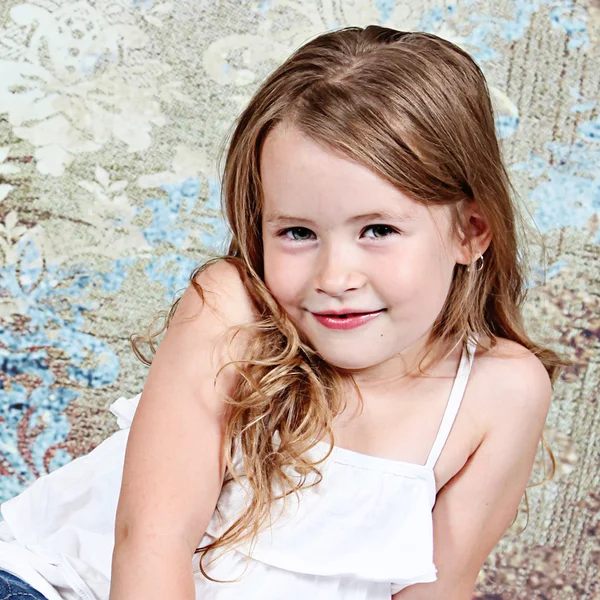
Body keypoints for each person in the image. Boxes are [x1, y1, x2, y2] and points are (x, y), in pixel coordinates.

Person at [0, 25, 565, 600]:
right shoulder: (230, 312)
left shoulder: (502, 392)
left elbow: (440, 589)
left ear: (470, 233)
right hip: (62, 586)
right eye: (298, 232)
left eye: (378, 230)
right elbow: (151, 539)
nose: (335, 278)